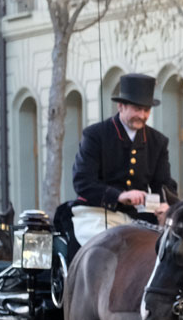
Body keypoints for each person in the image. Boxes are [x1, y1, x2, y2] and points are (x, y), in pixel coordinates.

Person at [71, 73, 176, 245]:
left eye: (146, 110)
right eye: (137, 109)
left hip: (139, 217)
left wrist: (165, 205)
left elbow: (163, 184)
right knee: (107, 247)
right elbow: (82, 182)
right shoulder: (95, 135)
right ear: (121, 106)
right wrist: (119, 196)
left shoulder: (158, 141)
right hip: (95, 214)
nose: (142, 115)